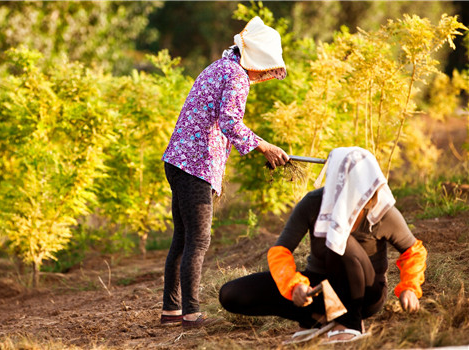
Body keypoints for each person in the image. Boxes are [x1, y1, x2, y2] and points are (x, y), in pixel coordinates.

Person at [219, 147, 428, 343]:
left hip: (364, 294)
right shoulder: (313, 203)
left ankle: (349, 323)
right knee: (232, 294)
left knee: (339, 236)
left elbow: (413, 251)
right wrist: (295, 285)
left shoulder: (381, 210)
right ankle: (318, 319)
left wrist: (409, 288)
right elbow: (280, 251)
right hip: (320, 291)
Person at [160, 17, 290, 329]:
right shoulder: (236, 76)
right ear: (256, 59)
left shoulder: (219, 66)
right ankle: (190, 314)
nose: (264, 73)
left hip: (177, 161)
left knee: (183, 238)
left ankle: (171, 311)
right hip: (194, 165)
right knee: (199, 239)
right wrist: (264, 146)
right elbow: (231, 122)